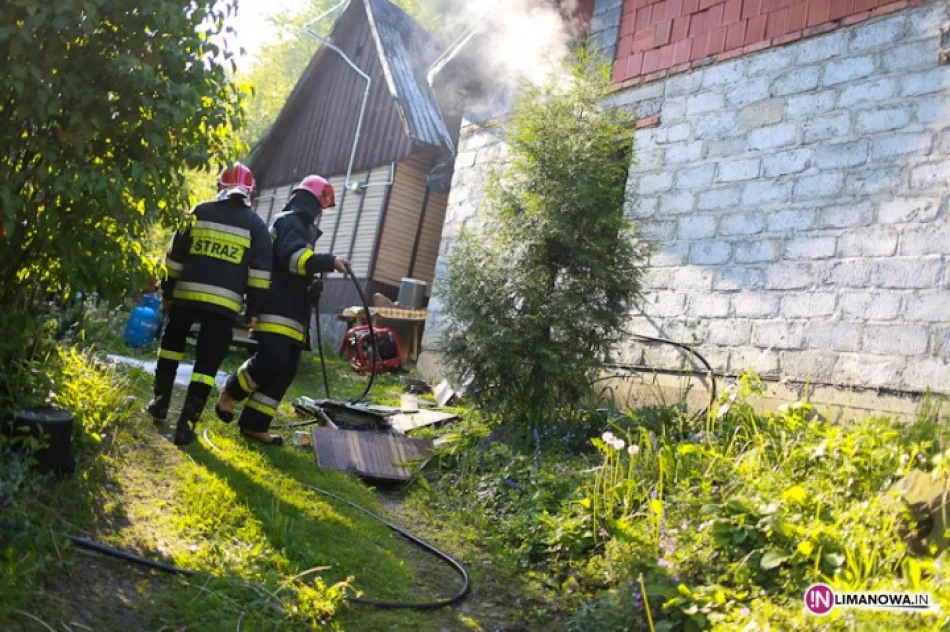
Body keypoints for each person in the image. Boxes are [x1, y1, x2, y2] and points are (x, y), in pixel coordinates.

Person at [215, 175, 349, 445]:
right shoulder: (290, 221)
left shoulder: (300, 227)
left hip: (294, 312)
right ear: (311, 203)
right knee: (271, 361)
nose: (320, 214)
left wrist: (311, 286)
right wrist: (329, 261)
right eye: (321, 208)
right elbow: (293, 259)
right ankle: (230, 391)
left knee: (284, 370)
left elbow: (294, 269)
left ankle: (254, 425)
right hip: (277, 307)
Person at [146, 163, 272, 446]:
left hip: (185, 298)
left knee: (170, 348)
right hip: (223, 308)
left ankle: (160, 404)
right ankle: (186, 425)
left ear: (220, 186)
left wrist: (168, 293)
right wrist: (253, 311)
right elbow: (260, 276)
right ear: (250, 192)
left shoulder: (199, 212)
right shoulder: (256, 226)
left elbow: (173, 259)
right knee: (207, 364)